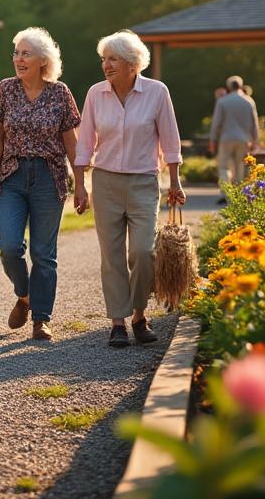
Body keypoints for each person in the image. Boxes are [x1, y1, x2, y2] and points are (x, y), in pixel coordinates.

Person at [73, 30, 184, 349]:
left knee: (143, 252)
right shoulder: (96, 94)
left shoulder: (157, 92)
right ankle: (118, 322)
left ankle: (139, 314)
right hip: (105, 182)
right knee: (112, 256)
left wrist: (174, 181)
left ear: (133, 63)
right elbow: (85, 142)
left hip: (143, 182)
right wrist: (80, 185)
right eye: (104, 59)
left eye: (113, 59)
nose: (106, 65)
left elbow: (170, 138)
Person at [0, 28, 79, 342]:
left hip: (49, 177)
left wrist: (82, 183)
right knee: (9, 246)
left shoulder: (60, 93)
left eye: (26, 54)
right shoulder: (5, 89)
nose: (18, 59)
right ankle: (24, 295)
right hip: (12, 176)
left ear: (43, 60)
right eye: (16, 53)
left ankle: (42, 318)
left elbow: (71, 143)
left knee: (43, 253)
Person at [209, 75, 259, 204]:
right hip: (244, 139)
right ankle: (238, 193)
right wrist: (255, 140)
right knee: (240, 167)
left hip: (226, 138)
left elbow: (216, 123)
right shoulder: (249, 101)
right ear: (241, 86)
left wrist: (212, 139)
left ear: (228, 87)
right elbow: (254, 123)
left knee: (224, 167)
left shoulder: (223, 101)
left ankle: (225, 193)